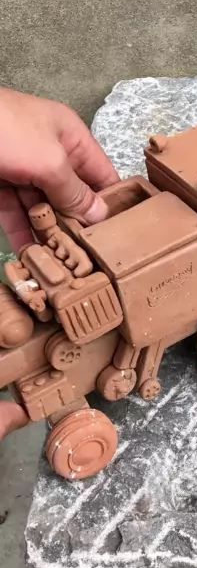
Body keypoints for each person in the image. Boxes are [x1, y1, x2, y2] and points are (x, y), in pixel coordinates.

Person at [0, 87, 119, 443]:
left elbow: (73, 267)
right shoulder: (44, 251)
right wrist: (28, 287)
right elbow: (25, 269)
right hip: (51, 299)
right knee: (19, 331)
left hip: (51, 292)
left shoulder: (54, 247)